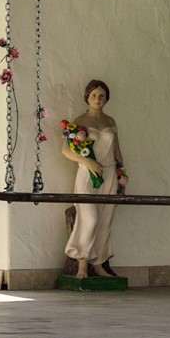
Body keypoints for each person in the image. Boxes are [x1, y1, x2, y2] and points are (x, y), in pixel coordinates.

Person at [62, 78, 125, 279]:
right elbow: (66, 150)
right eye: (94, 95)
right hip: (88, 174)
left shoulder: (110, 121)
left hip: (109, 174)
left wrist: (122, 174)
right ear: (87, 97)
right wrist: (87, 162)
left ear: (106, 99)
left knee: (105, 221)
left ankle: (98, 265)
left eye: (102, 96)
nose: (98, 99)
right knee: (90, 219)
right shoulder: (80, 121)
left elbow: (116, 150)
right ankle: (82, 265)